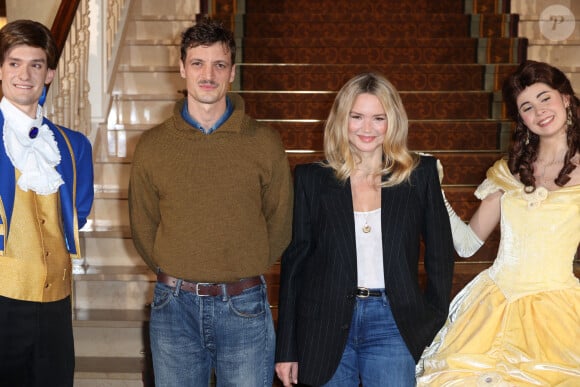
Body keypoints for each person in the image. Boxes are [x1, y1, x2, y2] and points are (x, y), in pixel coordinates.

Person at [128, 17, 293, 387]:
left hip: (244, 304)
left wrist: (242, 263)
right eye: (198, 63)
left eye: (219, 64)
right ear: (182, 68)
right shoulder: (153, 146)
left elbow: (280, 221)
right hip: (173, 307)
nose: (208, 74)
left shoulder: (264, 142)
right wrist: (179, 265)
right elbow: (143, 225)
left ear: (231, 71)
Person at [275, 72, 455, 387]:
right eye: (356, 117)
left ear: (393, 121)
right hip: (324, 325)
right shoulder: (311, 179)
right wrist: (287, 347)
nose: (367, 128)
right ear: (342, 120)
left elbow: (441, 254)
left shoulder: (420, 174)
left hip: (394, 323)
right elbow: (295, 265)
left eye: (378, 118)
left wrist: (433, 317)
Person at [417, 60, 580, 385]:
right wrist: (435, 192)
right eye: (527, 106)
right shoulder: (508, 171)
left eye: (545, 98)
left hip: (555, 313)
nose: (540, 111)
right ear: (521, 117)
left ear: (564, 97)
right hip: (492, 304)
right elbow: (466, 244)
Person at [0, 19, 94, 386]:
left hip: (56, 304)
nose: (25, 74)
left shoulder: (73, 146)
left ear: (50, 73)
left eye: (36, 64)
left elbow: (79, 211)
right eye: (14, 63)